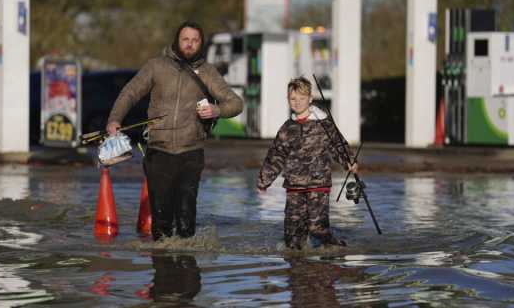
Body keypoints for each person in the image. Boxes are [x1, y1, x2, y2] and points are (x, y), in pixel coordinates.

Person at [106, 21, 243, 241]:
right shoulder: (156, 66)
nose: (189, 44)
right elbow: (129, 93)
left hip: (191, 152)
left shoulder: (207, 72)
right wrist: (114, 119)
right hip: (159, 152)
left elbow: (236, 103)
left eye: (195, 40)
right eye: (185, 39)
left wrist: (217, 110)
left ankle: (187, 269)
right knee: (161, 221)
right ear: (177, 41)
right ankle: (163, 269)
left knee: (186, 218)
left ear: (201, 44)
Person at [257, 77, 357, 250]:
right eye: (293, 99)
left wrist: (349, 161)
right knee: (292, 236)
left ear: (310, 98)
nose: (297, 102)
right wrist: (264, 181)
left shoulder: (324, 124)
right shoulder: (287, 128)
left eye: (301, 98)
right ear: (288, 99)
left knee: (317, 228)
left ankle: (337, 249)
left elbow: (338, 145)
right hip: (294, 185)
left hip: (318, 184)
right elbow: (275, 156)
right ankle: (298, 269)